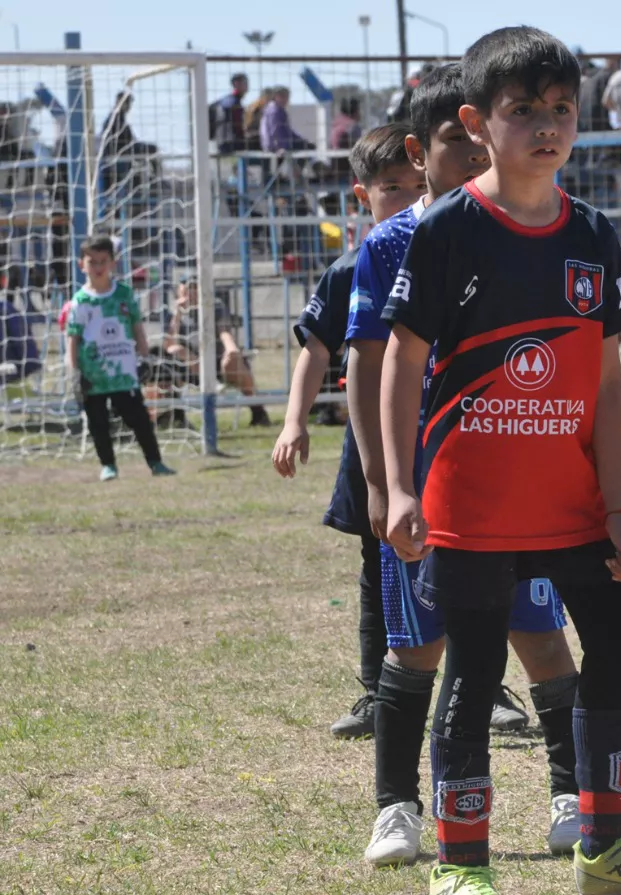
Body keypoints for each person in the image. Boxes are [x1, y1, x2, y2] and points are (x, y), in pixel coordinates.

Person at [380, 27, 621, 895]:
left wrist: (619, 504)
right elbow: (402, 360)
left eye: (561, 108)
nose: (546, 125)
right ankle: (462, 867)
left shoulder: (597, 235)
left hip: (574, 503)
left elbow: (606, 384)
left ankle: (608, 851)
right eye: (522, 109)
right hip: (472, 506)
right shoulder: (450, 230)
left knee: (618, 635)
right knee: (476, 664)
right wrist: (396, 485)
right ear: (477, 121)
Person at [344, 64, 588, 870]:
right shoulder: (391, 245)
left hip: (516, 488)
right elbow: (369, 369)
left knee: (541, 637)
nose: (471, 148)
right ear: (424, 149)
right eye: (454, 138)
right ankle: (397, 807)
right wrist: (384, 482)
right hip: (430, 491)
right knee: (416, 649)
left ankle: (570, 794)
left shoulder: (533, 229)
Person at [273, 122, 427, 743]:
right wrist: (293, 420)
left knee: (474, 563)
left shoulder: (453, 252)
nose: (402, 197)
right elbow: (316, 348)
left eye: (411, 185)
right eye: (387, 187)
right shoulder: (353, 266)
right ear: (362, 195)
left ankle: (488, 688)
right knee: (379, 560)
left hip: (448, 436)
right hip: (374, 444)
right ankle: (376, 690)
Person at [65, 235, 176, 481]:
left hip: (123, 373)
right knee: (99, 424)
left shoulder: (124, 294)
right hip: (93, 375)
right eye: (91, 261)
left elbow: (137, 327)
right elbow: (72, 340)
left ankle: (156, 462)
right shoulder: (80, 302)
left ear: (113, 263)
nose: (97, 267)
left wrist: (144, 358)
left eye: (102, 261)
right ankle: (108, 465)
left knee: (139, 419)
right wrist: (74, 373)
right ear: (81, 264)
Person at [163, 277, 271, 427]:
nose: (191, 294)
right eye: (186, 291)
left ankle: (258, 412)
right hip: (190, 369)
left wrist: (232, 349)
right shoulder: (172, 315)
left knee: (232, 361)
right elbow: (167, 346)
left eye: (194, 289)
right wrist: (177, 314)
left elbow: (224, 332)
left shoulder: (215, 307)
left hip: (218, 363)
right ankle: (174, 417)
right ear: (179, 293)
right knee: (175, 350)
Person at [260, 87, 315, 154]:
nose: (285, 99)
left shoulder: (278, 110)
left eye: (287, 97)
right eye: (282, 96)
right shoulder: (274, 111)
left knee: (308, 146)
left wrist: (302, 140)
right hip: (275, 147)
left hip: (283, 144)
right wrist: (280, 147)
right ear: (275, 97)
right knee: (307, 147)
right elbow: (275, 131)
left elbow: (288, 131)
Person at [211, 73, 250, 155]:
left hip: (221, 142)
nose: (247, 86)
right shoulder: (233, 103)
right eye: (245, 83)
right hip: (230, 144)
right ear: (236, 84)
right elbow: (237, 126)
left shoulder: (225, 100)